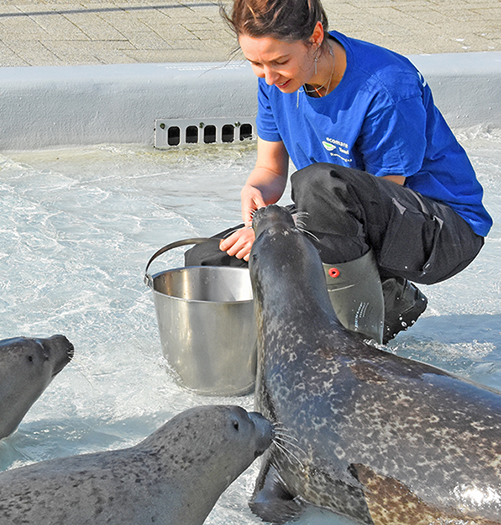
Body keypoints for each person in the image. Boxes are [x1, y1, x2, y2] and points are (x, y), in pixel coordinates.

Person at [205, 0, 492, 343]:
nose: (268, 76)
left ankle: (363, 338)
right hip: (339, 210)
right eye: (255, 63)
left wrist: (275, 230)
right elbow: (269, 168)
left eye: (280, 61)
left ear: (314, 36)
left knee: (317, 184)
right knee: (209, 263)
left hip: (442, 229)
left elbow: (378, 196)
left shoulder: (386, 86)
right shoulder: (274, 80)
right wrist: (257, 195)